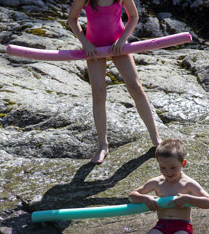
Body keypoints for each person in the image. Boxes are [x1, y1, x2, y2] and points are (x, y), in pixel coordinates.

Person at [67, 0, 161, 164]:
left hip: (119, 45)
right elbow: (72, 19)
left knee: (135, 86)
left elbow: (133, 16)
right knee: (98, 93)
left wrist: (123, 39)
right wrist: (86, 44)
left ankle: (155, 137)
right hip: (94, 48)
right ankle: (103, 145)